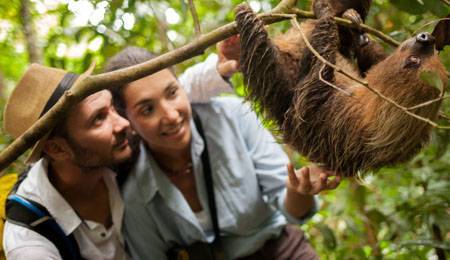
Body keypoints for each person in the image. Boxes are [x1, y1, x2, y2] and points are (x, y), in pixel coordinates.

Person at [2, 43, 238, 259]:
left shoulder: (114, 149)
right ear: (57, 148)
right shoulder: (31, 238)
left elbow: (164, 95)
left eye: (113, 108)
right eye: (98, 119)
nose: (123, 124)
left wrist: (217, 71)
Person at [104, 46, 341, 259]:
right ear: (128, 122)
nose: (171, 115)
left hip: (282, 250)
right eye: (147, 109)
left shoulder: (234, 118)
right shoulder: (136, 197)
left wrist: (298, 191)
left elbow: (293, 211)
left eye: (172, 93)